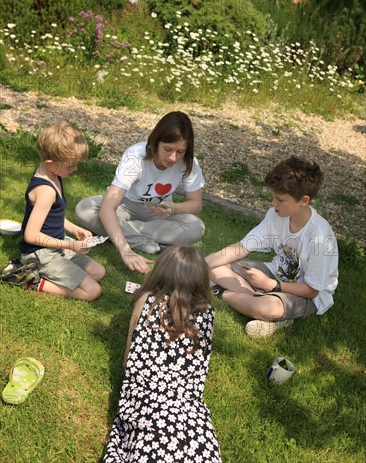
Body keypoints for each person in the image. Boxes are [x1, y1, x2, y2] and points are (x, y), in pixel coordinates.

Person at [103, 245, 221, 462]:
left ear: (161, 271)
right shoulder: (208, 313)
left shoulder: (145, 301)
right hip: (189, 408)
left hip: (146, 401)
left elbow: (128, 360)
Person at [206, 156, 338, 337]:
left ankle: (228, 293)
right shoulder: (276, 215)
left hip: (308, 297)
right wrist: (200, 264)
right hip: (273, 274)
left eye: (280, 199)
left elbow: (312, 290)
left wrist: (272, 285)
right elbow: (241, 248)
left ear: (304, 201)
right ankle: (259, 305)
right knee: (216, 265)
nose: (273, 203)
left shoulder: (319, 237)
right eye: (273, 197)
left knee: (268, 308)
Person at [75, 111, 205, 274]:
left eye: (180, 152)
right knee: (85, 208)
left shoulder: (189, 162)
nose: (173, 157)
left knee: (196, 227)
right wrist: (125, 250)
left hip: (159, 213)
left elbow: (196, 204)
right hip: (124, 206)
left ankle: (115, 230)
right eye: (167, 149)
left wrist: (173, 207)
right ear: (156, 141)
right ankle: (145, 243)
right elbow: (108, 207)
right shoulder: (136, 155)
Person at [19, 122, 106, 300]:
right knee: (93, 291)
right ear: (50, 162)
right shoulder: (46, 191)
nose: (75, 169)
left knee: (98, 272)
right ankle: (32, 280)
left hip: (55, 246)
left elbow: (52, 217)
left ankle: (55, 274)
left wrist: (74, 229)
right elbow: (31, 235)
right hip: (39, 254)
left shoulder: (53, 173)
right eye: (70, 166)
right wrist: (70, 245)